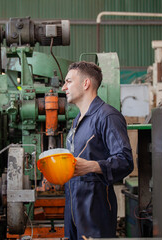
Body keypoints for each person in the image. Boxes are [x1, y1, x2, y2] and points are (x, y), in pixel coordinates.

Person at [62, 61, 134, 239]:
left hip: (95, 208)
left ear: (85, 83)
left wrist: (92, 166)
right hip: (73, 205)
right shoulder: (77, 120)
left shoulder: (107, 116)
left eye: (69, 81)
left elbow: (125, 160)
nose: (64, 87)